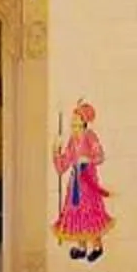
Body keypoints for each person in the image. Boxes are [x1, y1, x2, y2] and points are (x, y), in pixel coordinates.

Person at [51, 102, 111, 262]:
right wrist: (56, 153)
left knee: (90, 212)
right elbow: (64, 163)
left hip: (88, 180)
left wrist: (88, 159)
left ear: (84, 122)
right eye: (73, 123)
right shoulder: (72, 140)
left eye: (77, 122)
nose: (74, 126)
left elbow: (100, 156)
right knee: (76, 211)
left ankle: (97, 246)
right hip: (75, 182)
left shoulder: (90, 137)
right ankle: (82, 246)